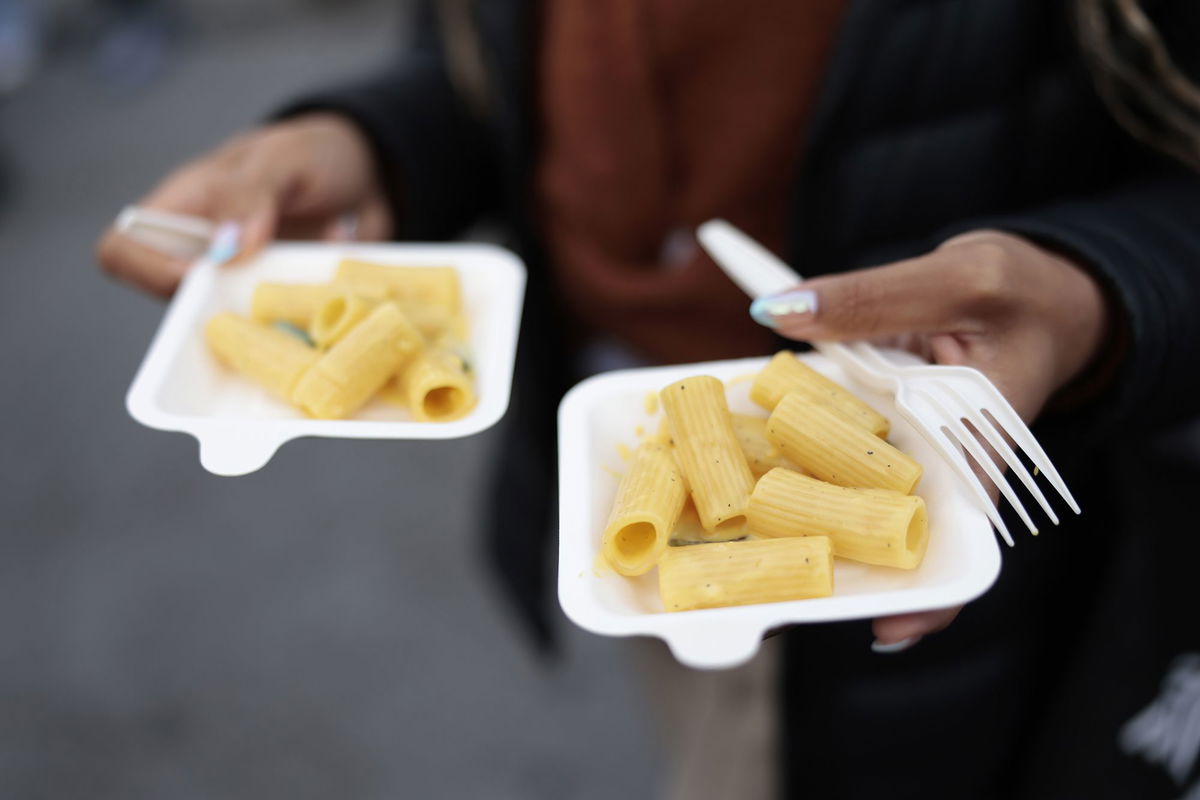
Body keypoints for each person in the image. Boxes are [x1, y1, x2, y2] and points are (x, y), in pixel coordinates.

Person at [97, 1, 1200, 798]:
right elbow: (479, 54)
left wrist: (1095, 289)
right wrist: (376, 137)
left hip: (1002, 499)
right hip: (639, 462)